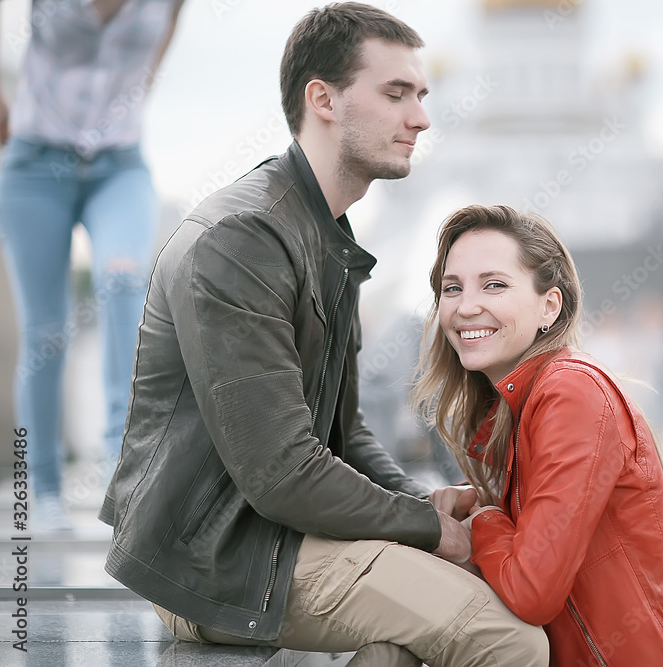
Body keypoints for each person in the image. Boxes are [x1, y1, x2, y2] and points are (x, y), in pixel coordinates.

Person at [99, 5, 547, 666]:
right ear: (323, 99)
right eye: (396, 94)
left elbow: (345, 431)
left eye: (420, 96)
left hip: (273, 535)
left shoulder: (323, 233)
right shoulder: (244, 240)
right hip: (219, 559)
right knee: (514, 638)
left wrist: (420, 501)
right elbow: (281, 471)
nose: (420, 118)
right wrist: (432, 531)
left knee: (405, 641)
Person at [413, 204, 663, 667]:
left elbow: (532, 590)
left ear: (550, 305)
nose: (465, 306)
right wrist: (474, 499)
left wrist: (481, 519)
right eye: (451, 288)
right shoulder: (518, 403)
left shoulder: (569, 392)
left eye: (494, 284)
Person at [0, 0, 186, 532]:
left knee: (124, 282)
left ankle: (120, 468)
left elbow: (161, 42)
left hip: (118, 167)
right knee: (46, 332)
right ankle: (45, 487)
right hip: (34, 165)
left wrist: (125, 99)